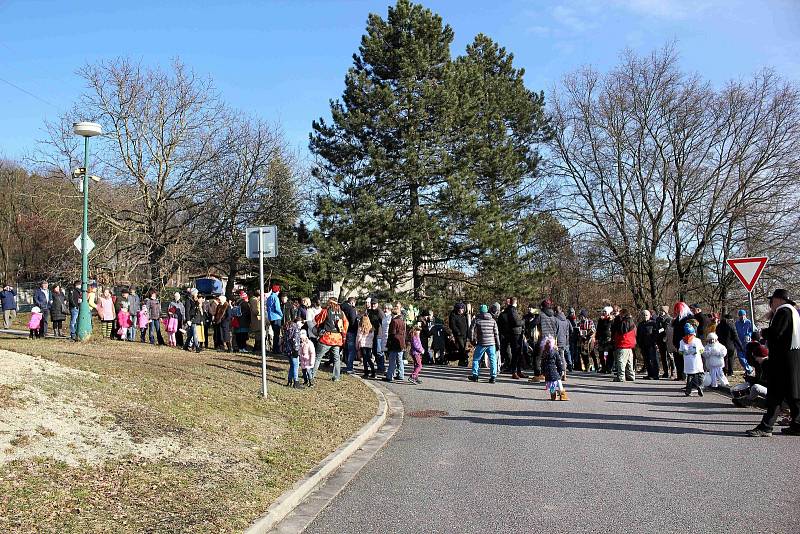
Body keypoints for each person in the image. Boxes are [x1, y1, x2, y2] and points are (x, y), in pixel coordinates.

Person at [747, 289, 800, 437]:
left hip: (782, 360)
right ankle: (797, 424)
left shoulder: (783, 312)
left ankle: (766, 426)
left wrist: (763, 332)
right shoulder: (793, 312)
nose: (771, 303)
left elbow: (777, 333)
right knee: (792, 394)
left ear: (778, 300)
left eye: (773, 300)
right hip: (793, 357)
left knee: (775, 394)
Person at [313, 297, 348, 381]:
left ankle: (311, 375)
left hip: (327, 338)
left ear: (330, 303)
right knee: (336, 359)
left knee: (318, 357)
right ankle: (336, 377)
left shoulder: (326, 311)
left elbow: (317, 319)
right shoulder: (341, 313)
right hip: (337, 339)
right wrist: (343, 335)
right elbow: (346, 324)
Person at [468, 304, 500, 383]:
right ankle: (493, 377)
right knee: (493, 360)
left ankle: (475, 376)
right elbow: (496, 333)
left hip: (481, 343)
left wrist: (472, 340)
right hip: (491, 343)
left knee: (476, 359)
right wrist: (498, 344)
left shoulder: (477, 320)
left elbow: (471, 330)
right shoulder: (493, 321)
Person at [502, 298, 526, 379]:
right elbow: (516, 322)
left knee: (519, 353)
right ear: (515, 302)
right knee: (516, 353)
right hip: (515, 333)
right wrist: (524, 321)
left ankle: (518, 371)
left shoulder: (513, 310)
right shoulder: (512, 310)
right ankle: (514, 371)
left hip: (517, 333)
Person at [612, 308, 637, 382]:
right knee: (629, 361)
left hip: (623, 343)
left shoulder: (624, 322)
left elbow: (621, 330)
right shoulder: (631, 321)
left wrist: (616, 320)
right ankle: (630, 375)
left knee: (621, 361)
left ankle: (621, 376)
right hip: (630, 343)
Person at [680, 323, 705, 397]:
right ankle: (700, 386)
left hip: (688, 362)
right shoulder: (697, 340)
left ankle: (688, 391)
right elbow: (702, 350)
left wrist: (686, 353)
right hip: (697, 361)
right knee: (700, 375)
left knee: (690, 376)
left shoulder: (682, 341)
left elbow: (680, 352)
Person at [541, 336, 568, 400]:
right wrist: (561, 371)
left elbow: (542, 364)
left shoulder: (544, 353)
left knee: (551, 384)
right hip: (554, 371)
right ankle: (562, 395)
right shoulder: (555, 352)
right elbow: (559, 362)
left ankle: (553, 396)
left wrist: (543, 372)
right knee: (559, 382)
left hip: (547, 372)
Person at [672, 302, 693, 380]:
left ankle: (686, 376)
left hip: (686, 342)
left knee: (685, 360)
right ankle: (680, 375)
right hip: (678, 342)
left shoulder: (689, 318)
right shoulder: (677, 319)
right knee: (678, 359)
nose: (677, 311)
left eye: (678, 310)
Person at [385, 303, 406, 383]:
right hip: (401, 342)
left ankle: (389, 376)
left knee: (392, 360)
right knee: (399, 359)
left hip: (394, 342)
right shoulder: (402, 321)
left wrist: (388, 343)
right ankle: (401, 374)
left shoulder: (394, 321)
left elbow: (392, 333)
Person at [637, 310, 660, 380]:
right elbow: (638, 335)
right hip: (643, 345)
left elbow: (656, 334)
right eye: (643, 315)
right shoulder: (640, 324)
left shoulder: (653, 324)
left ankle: (655, 375)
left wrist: (654, 343)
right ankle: (650, 374)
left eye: (646, 315)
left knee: (653, 360)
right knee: (646, 360)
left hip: (651, 345)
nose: (645, 316)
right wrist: (639, 344)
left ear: (650, 316)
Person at [283, 314, 304, 388]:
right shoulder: (296, 328)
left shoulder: (288, 326)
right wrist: (296, 349)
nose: (302, 325)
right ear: (299, 322)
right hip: (293, 350)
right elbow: (295, 340)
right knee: (295, 366)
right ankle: (296, 382)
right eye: (302, 323)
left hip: (287, 349)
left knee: (292, 365)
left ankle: (289, 381)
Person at [341, 296, 359, 374]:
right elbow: (353, 321)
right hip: (351, 330)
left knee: (347, 349)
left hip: (345, 330)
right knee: (352, 350)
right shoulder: (351, 309)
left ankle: (347, 365)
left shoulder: (342, 307)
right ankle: (349, 367)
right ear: (352, 302)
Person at [655, 306, 674, 378]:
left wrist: (661, 330)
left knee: (670, 356)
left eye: (662, 311)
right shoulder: (658, 319)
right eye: (660, 310)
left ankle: (673, 371)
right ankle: (666, 372)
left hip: (668, 340)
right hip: (660, 340)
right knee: (663, 357)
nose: (660, 312)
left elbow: (667, 328)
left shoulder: (669, 319)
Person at [735, 310, 755, 375]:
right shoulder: (736, 323)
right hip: (739, 343)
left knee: (747, 357)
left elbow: (754, 330)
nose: (742, 317)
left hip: (747, 342)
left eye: (743, 315)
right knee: (741, 357)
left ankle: (748, 370)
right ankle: (749, 369)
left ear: (745, 315)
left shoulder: (749, 322)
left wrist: (749, 335)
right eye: (740, 315)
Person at [356, 314, 376, 379]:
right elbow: (372, 337)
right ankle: (373, 372)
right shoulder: (371, 328)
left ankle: (366, 372)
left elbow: (359, 337)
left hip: (363, 344)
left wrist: (357, 345)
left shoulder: (361, 328)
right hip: (369, 345)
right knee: (369, 359)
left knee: (365, 359)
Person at [555, 306, 573, 373]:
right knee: (564, 356)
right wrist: (568, 335)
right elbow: (571, 330)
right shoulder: (566, 320)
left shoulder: (556, 320)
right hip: (565, 340)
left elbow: (555, 331)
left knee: (559, 357)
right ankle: (565, 371)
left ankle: (561, 372)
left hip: (557, 340)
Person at [595, 308, 613, 374]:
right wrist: (596, 338)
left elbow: (608, 327)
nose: (604, 313)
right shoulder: (600, 320)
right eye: (603, 312)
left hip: (608, 338)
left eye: (605, 312)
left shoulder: (610, 320)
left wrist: (606, 319)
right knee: (601, 353)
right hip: (601, 338)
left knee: (609, 354)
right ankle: (603, 367)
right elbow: (598, 329)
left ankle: (609, 368)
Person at [266, 284, 283, 354]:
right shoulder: (275, 297)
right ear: (277, 290)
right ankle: (276, 349)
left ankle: (274, 348)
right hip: (276, 317)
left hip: (271, 317)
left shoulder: (269, 297)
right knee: (277, 334)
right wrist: (281, 314)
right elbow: (277, 308)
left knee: (274, 333)